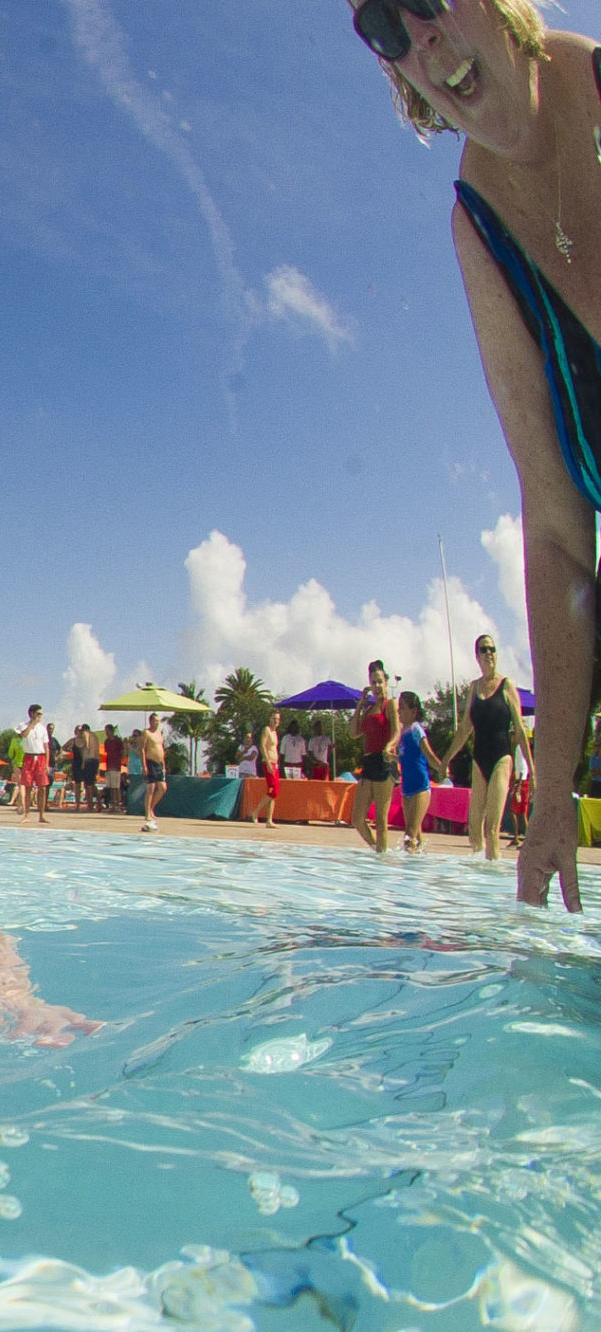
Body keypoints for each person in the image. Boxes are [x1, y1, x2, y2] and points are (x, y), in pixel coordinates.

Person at [346, 0, 600, 904]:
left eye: (426, 1)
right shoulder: (478, 230)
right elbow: (561, 529)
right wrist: (556, 791)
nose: (418, 35)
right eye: (383, 25)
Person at [443, 632, 534, 864]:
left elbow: (521, 730)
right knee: (475, 826)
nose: (489, 653)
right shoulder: (473, 688)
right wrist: (446, 760)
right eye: (484, 649)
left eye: (492, 649)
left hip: (502, 757)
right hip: (479, 758)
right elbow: (465, 730)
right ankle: (479, 880)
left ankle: (494, 881)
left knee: (492, 826)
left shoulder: (506, 685)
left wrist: (533, 770)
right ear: (477, 655)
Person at [351, 660, 397, 852]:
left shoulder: (390, 704)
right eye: (373, 682)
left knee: (380, 819)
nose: (376, 686)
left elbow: (397, 731)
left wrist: (390, 745)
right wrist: (360, 705)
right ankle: (378, 850)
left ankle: (382, 858)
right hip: (368, 764)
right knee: (357, 818)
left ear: (386, 682)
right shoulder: (369, 709)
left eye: (379, 681)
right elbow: (354, 733)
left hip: (384, 762)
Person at [398, 689, 447, 850]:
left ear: (413, 711)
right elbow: (404, 758)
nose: (399, 711)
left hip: (420, 788)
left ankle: (408, 872)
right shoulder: (401, 733)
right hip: (407, 789)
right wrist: (390, 757)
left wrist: (441, 767)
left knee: (409, 835)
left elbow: (428, 753)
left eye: (402, 707)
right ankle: (420, 868)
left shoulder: (415, 729)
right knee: (416, 836)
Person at [15, 706, 51, 822]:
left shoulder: (42, 728)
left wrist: (47, 763)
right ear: (32, 714)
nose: (40, 716)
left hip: (40, 757)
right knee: (28, 786)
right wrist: (32, 724)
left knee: (43, 787)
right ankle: (27, 815)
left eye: (41, 714)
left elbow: (46, 747)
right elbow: (23, 735)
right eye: (38, 714)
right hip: (29, 757)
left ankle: (42, 815)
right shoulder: (23, 725)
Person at [136, 713, 169, 832]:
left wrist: (164, 765)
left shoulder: (159, 733)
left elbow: (161, 749)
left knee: (162, 788)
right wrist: (144, 765)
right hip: (150, 762)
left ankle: (151, 808)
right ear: (150, 721)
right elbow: (142, 749)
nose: (157, 723)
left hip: (159, 763)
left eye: (158, 721)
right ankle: (147, 813)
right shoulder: (146, 733)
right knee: (150, 788)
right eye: (155, 721)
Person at [250, 709, 281, 828]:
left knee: (274, 792)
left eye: (277, 719)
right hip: (268, 762)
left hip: (275, 763)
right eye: (274, 718)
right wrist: (268, 762)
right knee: (272, 790)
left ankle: (269, 819)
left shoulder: (275, 733)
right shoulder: (267, 730)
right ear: (270, 719)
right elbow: (262, 746)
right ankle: (256, 812)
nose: (275, 721)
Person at [102, 723, 125, 812]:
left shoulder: (118, 741)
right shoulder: (106, 741)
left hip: (116, 765)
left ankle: (117, 805)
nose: (106, 733)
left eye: (107, 731)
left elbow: (122, 751)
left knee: (116, 787)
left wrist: (121, 760)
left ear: (111, 731)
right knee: (111, 787)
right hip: (109, 765)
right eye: (106, 731)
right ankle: (113, 804)